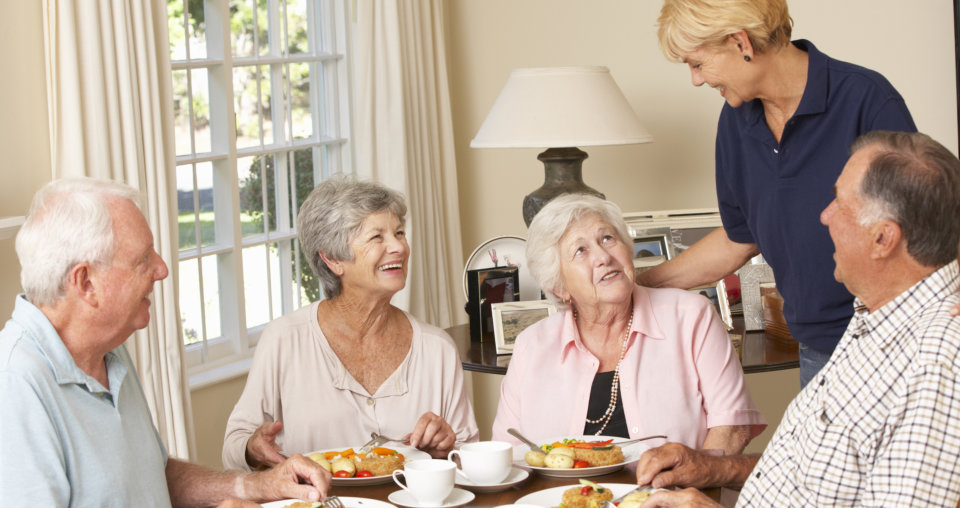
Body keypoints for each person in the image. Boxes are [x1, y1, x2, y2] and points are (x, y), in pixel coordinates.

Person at [636, 131, 960, 507]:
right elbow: (816, 479)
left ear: (883, 239)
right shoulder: (874, 317)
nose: (824, 216)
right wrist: (715, 469)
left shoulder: (940, 359)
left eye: (839, 202)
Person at [0, 178, 330, 506]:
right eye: (143, 259)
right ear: (85, 282)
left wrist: (258, 486)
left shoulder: (108, 350)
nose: (162, 269)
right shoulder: (15, 386)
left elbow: (154, 477)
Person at [642, 0, 917, 387]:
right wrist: (638, 285)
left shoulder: (865, 99)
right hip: (816, 350)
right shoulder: (737, 121)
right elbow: (739, 240)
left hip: (892, 346)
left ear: (741, 43)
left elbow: (929, 228)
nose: (696, 79)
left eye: (697, 63)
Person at [223, 177, 478, 471]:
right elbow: (234, 446)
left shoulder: (437, 349)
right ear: (332, 259)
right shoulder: (285, 339)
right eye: (377, 237)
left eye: (399, 232)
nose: (398, 247)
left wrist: (446, 449)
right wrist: (252, 449)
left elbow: (470, 458)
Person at [491, 194, 765, 454]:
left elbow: (732, 429)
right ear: (559, 286)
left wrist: (689, 491)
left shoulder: (692, 317)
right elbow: (508, 451)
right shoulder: (532, 345)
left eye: (608, 238)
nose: (603, 257)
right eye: (580, 251)